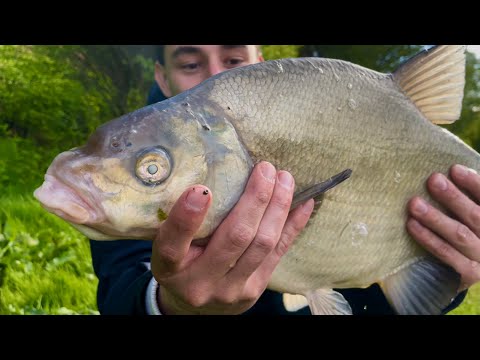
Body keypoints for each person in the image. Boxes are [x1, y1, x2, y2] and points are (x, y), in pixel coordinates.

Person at [90, 45, 479, 315]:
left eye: (234, 58)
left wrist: (450, 271)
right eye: (190, 64)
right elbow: (121, 292)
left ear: (259, 61)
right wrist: (175, 307)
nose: (216, 75)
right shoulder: (137, 153)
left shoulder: (324, 115)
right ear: (162, 76)